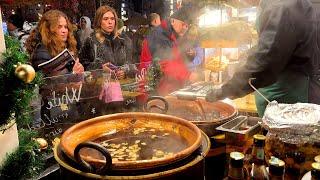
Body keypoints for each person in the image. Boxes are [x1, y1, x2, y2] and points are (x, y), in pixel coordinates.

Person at [205, 0, 320, 116]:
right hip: (284, 92)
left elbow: (267, 57)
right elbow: (273, 44)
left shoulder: (280, 5)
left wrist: (228, 89)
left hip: (291, 97)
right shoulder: (276, 5)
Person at [139, 7, 198, 96]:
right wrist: (188, 75)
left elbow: (177, 58)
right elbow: (164, 63)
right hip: (154, 90)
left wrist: (189, 56)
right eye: (183, 24)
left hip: (169, 88)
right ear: (173, 21)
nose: (185, 28)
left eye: (187, 26)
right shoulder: (159, 35)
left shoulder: (173, 35)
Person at [79, 5, 135, 79]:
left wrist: (125, 72)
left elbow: (131, 63)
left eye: (112, 19)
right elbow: (83, 65)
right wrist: (100, 68)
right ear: (99, 21)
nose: (110, 22)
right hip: (100, 85)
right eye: (105, 19)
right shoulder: (91, 40)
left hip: (122, 85)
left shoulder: (123, 39)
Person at [25, 10, 84, 77]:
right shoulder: (42, 52)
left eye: (65, 27)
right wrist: (73, 74)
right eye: (59, 27)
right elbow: (46, 83)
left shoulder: (65, 46)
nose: (64, 31)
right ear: (48, 30)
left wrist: (79, 70)